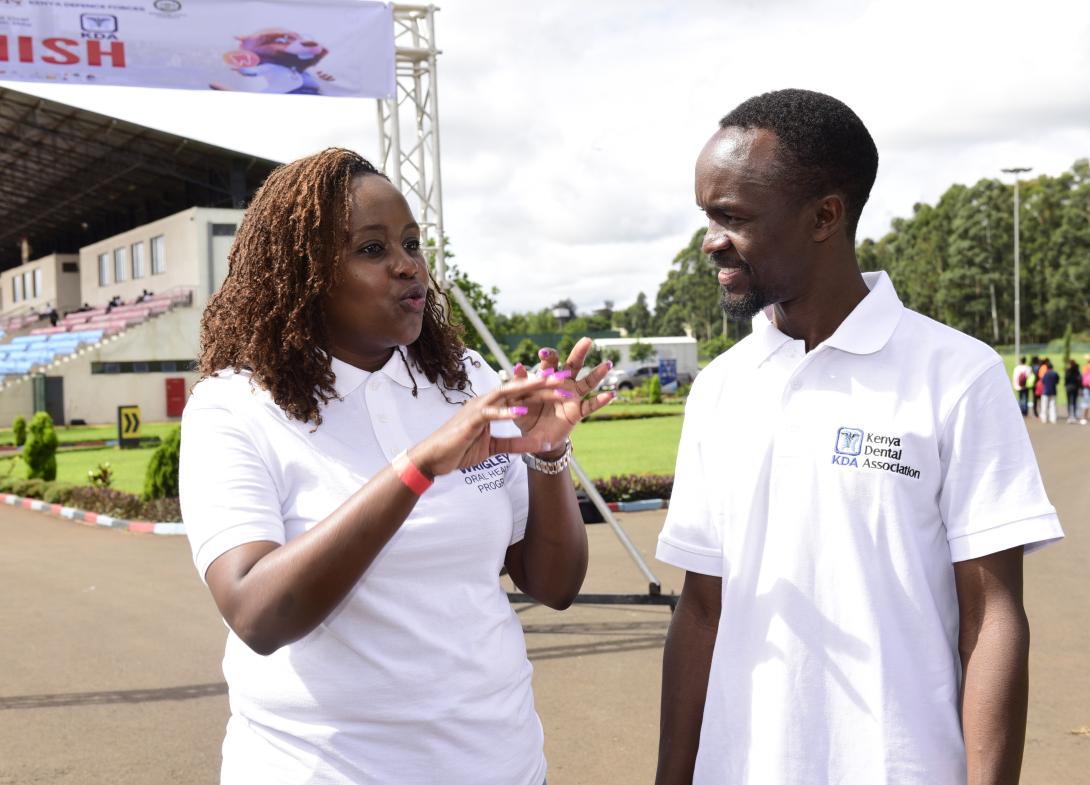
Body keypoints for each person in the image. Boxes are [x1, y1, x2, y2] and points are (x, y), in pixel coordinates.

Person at [655, 89, 1063, 785]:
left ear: (825, 215)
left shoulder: (955, 374)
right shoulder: (721, 388)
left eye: (732, 216)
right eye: (706, 214)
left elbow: (992, 614)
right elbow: (701, 609)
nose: (710, 239)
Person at [179, 148, 614, 785]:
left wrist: (549, 456)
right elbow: (258, 615)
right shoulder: (235, 407)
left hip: (501, 762)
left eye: (411, 242)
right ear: (304, 274)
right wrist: (419, 466)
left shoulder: (464, 380)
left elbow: (554, 586)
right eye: (372, 249)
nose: (408, 264)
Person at [1039, 359, 1059, 424]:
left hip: (1045, 391)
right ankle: (1053, 419)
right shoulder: (1055, 373)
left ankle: (1044, 419)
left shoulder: (1045, 374)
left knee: (1044, 406)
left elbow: (1043, 381)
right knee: (1052, 405)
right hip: (1053, 391)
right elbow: (1057, 381)